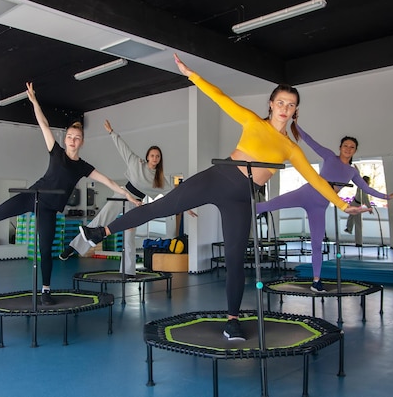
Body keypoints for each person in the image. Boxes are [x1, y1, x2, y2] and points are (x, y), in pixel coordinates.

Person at [79, 53, 368, 340]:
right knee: (162, 207)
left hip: (241, 198)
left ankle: (232, 321)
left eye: (290, 105)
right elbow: (220, 98)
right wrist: (191, 75)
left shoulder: (291, 149)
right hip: (217, 178)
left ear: (295, 111)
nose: (284, 108)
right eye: (280, 102)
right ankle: (99, 231)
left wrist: (343, 204)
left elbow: (315, 179)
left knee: (234, 258)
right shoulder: (254, 122)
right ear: (271, 103)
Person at [0, 82, 140, 305]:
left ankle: (45, 291)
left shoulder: (82, 166)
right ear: (65, 139)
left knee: (45, 249)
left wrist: (128, 195)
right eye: (70, 136)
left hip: (49, 209)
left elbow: (108, 181)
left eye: (77, 137)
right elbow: (43, 124)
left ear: (82, 142)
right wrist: (34, 101)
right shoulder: (56, 152)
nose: (73, 140)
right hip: (32, 196)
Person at [257, 129, 393, 293]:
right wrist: (295, 125)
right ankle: (242, 208)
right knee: (271, 204)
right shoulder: (329, 156)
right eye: (345, 146)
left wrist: (385, 196)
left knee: (316, 243)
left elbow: (366, 188)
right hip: (306, 193)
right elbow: (310, 141)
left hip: (319, 206)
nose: (348, 149)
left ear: (355, 150)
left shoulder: (352, 172)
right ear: (340, 147)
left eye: (352, 147)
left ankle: (316, 281)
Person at [60, 119, 196, 277]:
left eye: (157, 156)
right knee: (102, 218)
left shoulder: (160, 179)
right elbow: (123, 149)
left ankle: (128, 271)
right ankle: (73, 248)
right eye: (152, 155)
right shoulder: (137, 163)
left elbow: (174, 195)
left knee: (129, 235)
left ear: (160, 159)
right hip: (123, 194)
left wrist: (186, 208)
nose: (154, 158)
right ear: (147, 157)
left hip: (136, 203)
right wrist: (112, 133)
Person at [344, 175, 375, 246]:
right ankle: (357, 240)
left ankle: (351, 231)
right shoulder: (362, 188)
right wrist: (369, 208)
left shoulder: (361, 187)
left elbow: (365, 199)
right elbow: (365, 199)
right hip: (356, 204)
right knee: (357, 222)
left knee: (353, 219)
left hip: (356, 204)